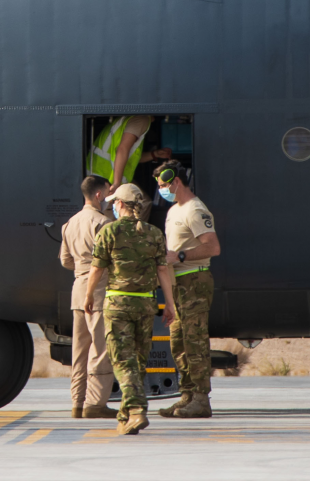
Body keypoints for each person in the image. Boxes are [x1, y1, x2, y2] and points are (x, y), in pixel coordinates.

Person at [84, 183, 176, 436]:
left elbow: (96, 269)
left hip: (117, 304)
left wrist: (89, 296)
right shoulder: (154, 234)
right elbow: (162, 270)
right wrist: (169, 303)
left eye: (115, 202)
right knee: (138, 360)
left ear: (121, 204)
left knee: (123, 361)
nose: (112, 206)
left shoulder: (109, 231)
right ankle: (126, 417)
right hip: (145, 304)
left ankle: (136, 410)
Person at [155, 160, 221, 419]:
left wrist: (180, 256)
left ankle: (201, 399)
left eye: (163, 185)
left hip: (194, 280)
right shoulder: (174, 210)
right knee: (179, 342)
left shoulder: (195, 209)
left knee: (194, 341)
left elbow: (213, 247)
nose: (161, 190)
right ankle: (187, 396)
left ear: (176, 182)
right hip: (177, 283)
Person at [59, 175, 118, 419]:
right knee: (101, 348)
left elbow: (65, 261)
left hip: (78, 286)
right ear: (98, 195)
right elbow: (112, 259)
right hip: (99, 288)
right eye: (106, 193)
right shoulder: (104, 223)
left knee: (79, 350)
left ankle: (77, 403)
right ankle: (95, 403)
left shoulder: (69, 223)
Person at [86, 115, 153, 196]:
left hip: (98, 176)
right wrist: (116, 183)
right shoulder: (141, 119)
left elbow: (130, 157)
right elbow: (122, 149)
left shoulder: (126, 119)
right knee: (142, 203)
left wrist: (154, 154)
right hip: (107, 181)